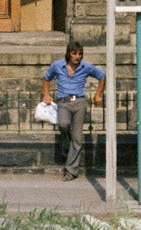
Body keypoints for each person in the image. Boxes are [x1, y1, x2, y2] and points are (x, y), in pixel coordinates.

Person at [43, 39, 105, 182]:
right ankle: (66, 142)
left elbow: (102, 76)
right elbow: (46, 78)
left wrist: (98, 94)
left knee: (77, 137)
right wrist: (46, 94)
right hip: (63, 102)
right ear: (68, 54)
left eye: (80, 54)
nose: (77, 57)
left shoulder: (86, 66)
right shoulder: (58, 65)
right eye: (74, 54)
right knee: (64, 124)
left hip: (79, 102)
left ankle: (71, 170)